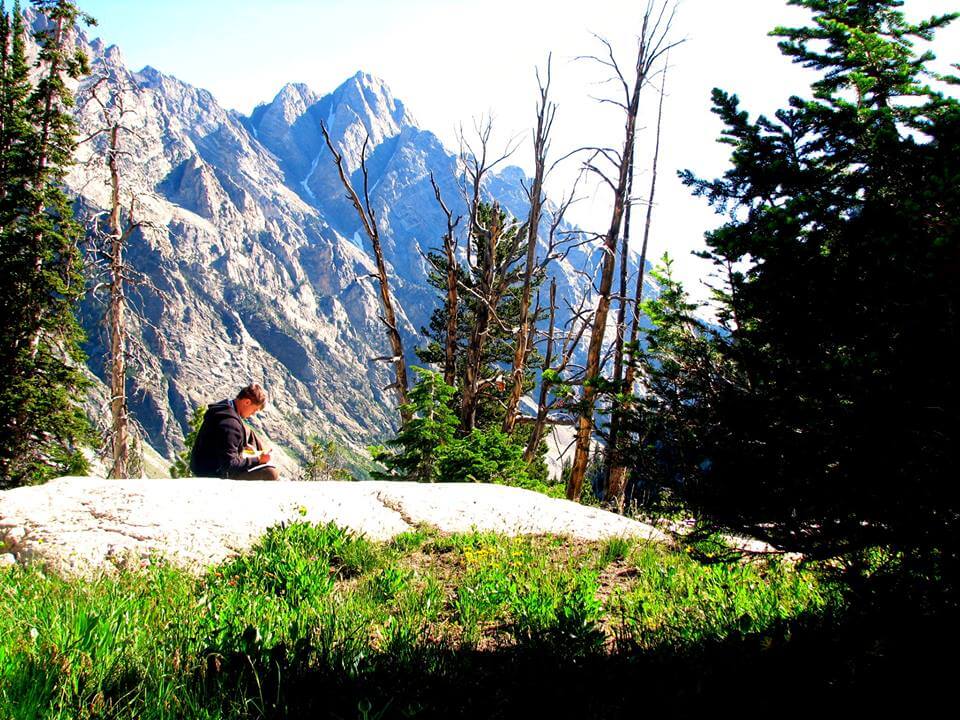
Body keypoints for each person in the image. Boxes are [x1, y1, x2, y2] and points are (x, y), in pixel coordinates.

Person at [190, 383, 280, 480]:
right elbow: (229, 466)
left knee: (248, 431)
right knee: (271, 473)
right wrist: (258, 460)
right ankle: (262, 457)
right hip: (213, 471)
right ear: (247, 402)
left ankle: (260, 453)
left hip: (201, 464)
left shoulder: (225, 407)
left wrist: (246, 451)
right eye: (254, 409)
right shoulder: (230, 424)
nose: (253, 414)